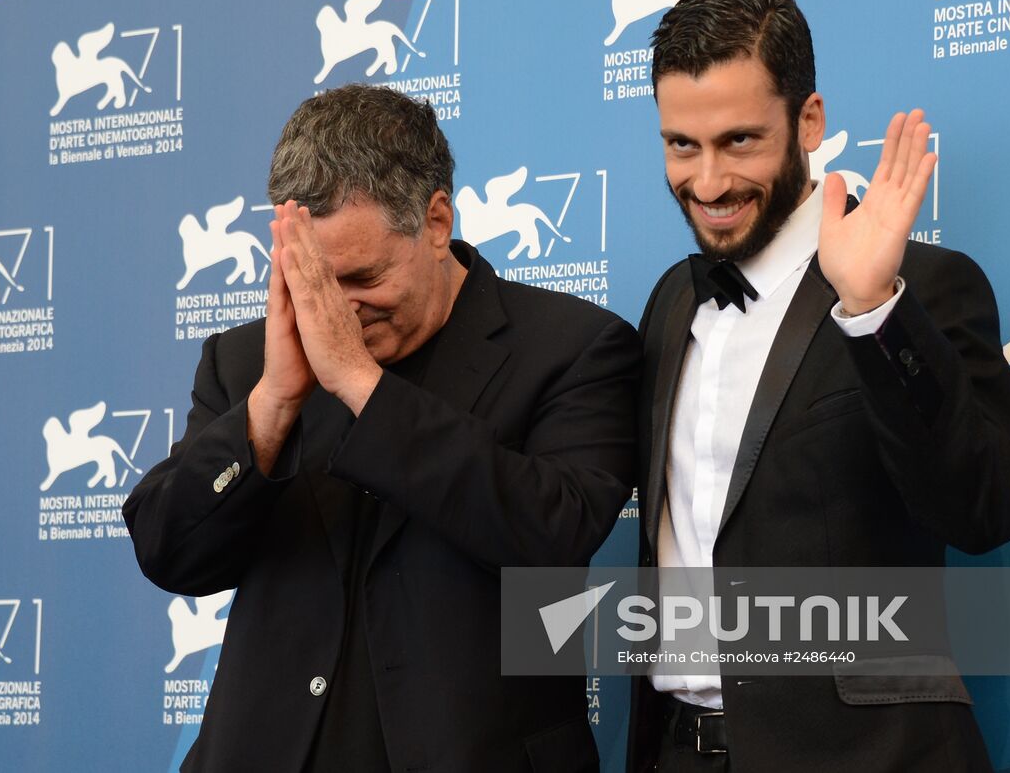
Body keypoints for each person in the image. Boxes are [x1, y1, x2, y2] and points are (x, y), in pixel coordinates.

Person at [124, 84, 640, 773]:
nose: (337, 311)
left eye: (363, 277)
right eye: (315, 281)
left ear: (435, 221)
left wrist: (360, 385)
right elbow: (169, 550)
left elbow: (553, 534)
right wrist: (274, 401)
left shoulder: (573, 346)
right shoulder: (248, 359)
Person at [626, 0, 1010, 772]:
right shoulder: (672, 303)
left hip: (866, 754)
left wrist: (873, 307)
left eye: (740, 141)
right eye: (681, 145)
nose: (707, 183)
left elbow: (982, 508)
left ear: (809, 121)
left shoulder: (923, 288)